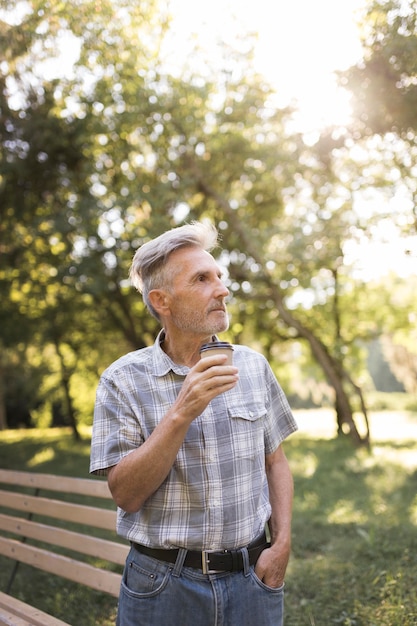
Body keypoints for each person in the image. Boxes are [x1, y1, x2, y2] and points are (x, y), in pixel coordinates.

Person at [90, 221, 298, 626]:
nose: (221, 289)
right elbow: (125, 495)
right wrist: (181, 413)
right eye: (202, 279)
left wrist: (283, 543)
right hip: (163, 586)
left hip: (252, 577)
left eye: (219, 276)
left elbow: (276, 462)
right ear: (162, 300)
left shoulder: (253, 366)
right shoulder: (122, 380)